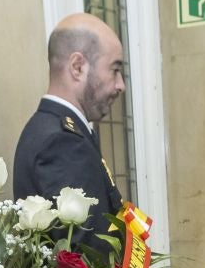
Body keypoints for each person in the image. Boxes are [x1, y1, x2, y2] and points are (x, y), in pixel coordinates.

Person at [13, 13, 127, 254]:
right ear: (78, 67)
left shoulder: (51, 127)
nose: (120, 85)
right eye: (114, 69)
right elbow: (90, 254)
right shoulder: (62, 141)